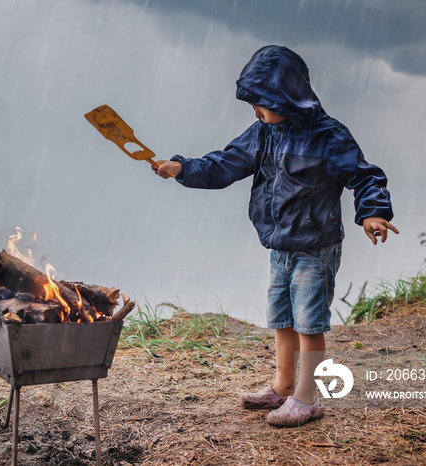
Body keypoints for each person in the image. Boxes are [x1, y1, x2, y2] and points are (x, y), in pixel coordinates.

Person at [152, 45, 398, 427]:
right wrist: (183, 168)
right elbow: (224, 163)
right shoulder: (263, 132)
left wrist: (373, 213)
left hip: (314, 249)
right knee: (281, 319)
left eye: (262, 103)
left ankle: (307, 397)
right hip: (279, 246)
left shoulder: (329, 136)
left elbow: (365, 176)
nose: (256, 111)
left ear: (288, 96)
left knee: (309, 325)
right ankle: (283, 386)